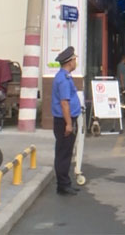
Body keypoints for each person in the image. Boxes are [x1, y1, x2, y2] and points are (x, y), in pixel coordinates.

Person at [51, 46, 81, 195]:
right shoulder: (63, 79)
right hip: (64, 122)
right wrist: (69, 124)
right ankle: (62, 185)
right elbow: (64, 103)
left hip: (67, 120)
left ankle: (65, 183)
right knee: (63, 153)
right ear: (69, 62)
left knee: (66, 152)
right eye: (74, 59)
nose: (76, 62)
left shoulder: (66, 76)